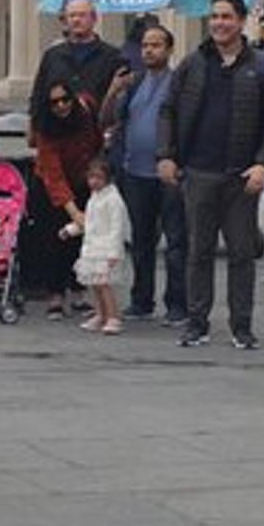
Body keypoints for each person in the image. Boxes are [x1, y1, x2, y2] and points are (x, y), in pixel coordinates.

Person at [155, 0, 264, 352]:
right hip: (198, 173)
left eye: (226, 16)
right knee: (198, 252)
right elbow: (167, 110)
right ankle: (197, 324)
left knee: (242, 255)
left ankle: (241, 327)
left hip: (242, 177)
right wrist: (165, 155)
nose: (219, 23)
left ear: (241, 21)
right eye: (214, 16)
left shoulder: (262, 67)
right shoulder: (193, 63)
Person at [101, 23, 186, 325]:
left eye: (156, 45)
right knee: (141, 241)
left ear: (169, 49)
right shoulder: (133, 83)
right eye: (146, 45)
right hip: (134, 171)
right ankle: (142, 300)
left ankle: (177, 304)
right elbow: (107, 119)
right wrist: (114, 90)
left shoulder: (179, 83)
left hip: (168, 173)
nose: (149, 50)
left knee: (176, 241)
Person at [31, 73, 102, 320]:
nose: (61, 106)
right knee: (55, 239)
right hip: (50, 184)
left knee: (80, 242)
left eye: (65, 100)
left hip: (82, 179)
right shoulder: (45, 128)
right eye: (54, 102)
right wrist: (74, 212)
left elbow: (96, 142)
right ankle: (55, 294)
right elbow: (54, 175)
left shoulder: (85, 108)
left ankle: (79, 291)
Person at [29, 0, 125, 139]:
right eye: (72, 15)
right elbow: (39, 93)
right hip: (57, 134)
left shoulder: (112, 56)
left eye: (82, 15)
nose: (76, 20)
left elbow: (120, 98)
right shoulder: (53, 55)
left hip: (95, 135)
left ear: (94, 19)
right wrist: (33, 126)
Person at [68, 156, 130, 335]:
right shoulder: (94, 197)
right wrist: (71, 229)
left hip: (106, 250)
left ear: (108, 178)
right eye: (91, 177)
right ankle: (101, 314)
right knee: (95, 284)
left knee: (104, 285)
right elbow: (89, 221)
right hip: (92, 249)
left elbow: (117, 228)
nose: (93, 182)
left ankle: (113, 317)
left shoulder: (113, 200)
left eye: (99, 178)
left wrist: (114, 252)